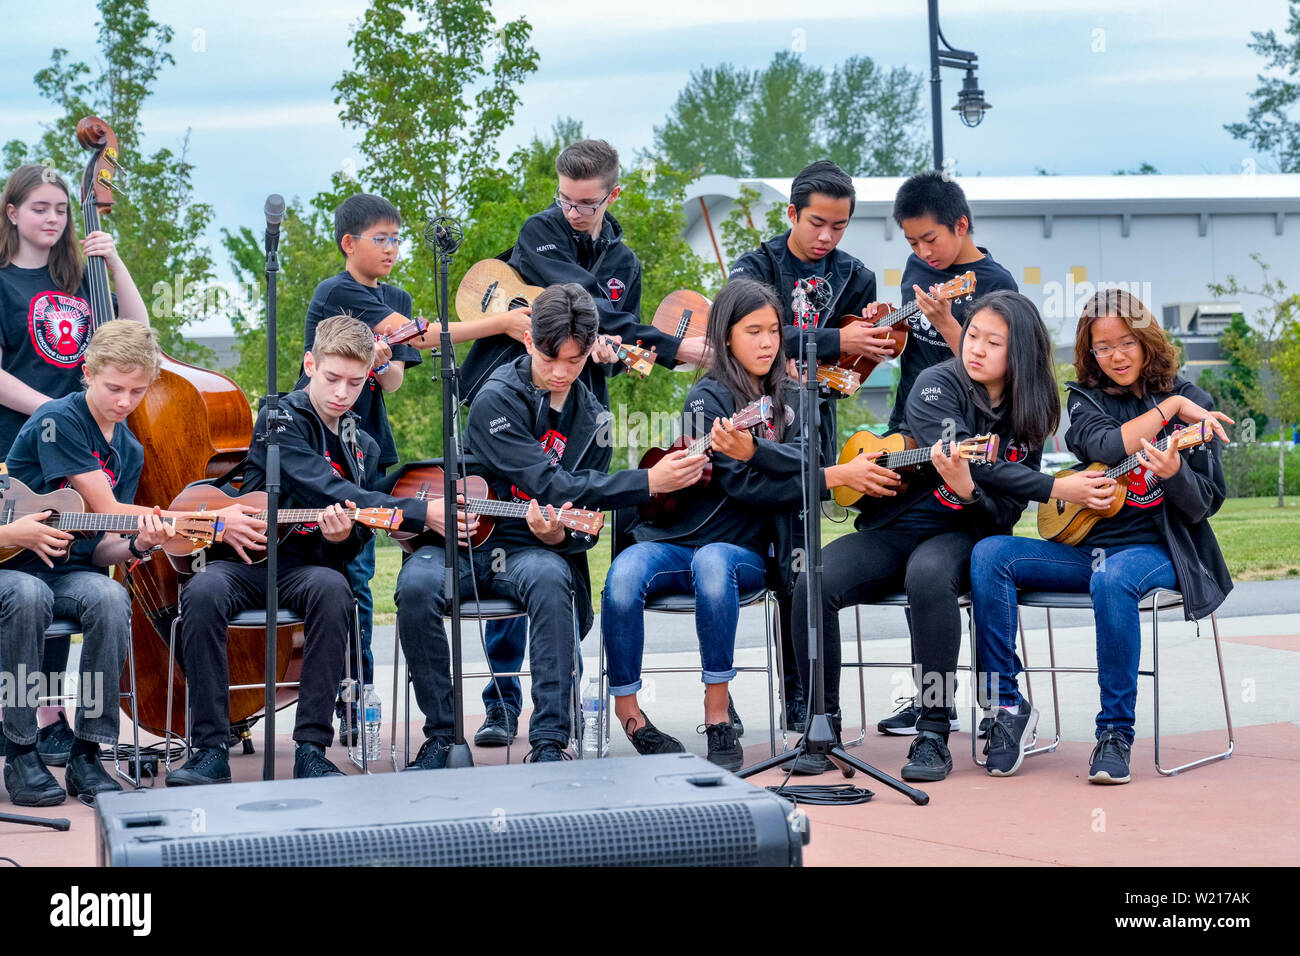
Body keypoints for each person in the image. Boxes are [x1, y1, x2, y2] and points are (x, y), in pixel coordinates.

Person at [789, 291, 1113, 779]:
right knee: (815, 578)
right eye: (973, 335)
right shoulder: (935, 382)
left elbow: (1002, 512)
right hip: (893, 530)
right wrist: (1055, 487)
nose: (976, 348)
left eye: (993, 342)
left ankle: (932, 732)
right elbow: (960, 447)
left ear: (1020, 352)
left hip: (963, 532)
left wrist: (968, 494)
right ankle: (821, 725)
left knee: (929, 573)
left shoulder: (1034, 407)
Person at [461, 139, 710, 748]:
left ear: (611, 195)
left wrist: (613, 352)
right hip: (511, 399)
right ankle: (500, 702)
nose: (572, 211)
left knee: (565, 540)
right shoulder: (536, 233)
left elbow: (612, 340)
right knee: (507, 531)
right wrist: (674, 346)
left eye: (585, 203)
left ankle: (560, 704)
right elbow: (579, 307)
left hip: (581, 409)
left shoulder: (623, 258)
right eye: (565, 200)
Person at [397, 283, 707, 769]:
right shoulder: (494, 398)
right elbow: (548, 480)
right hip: (461, 543)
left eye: (576, 360)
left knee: (550, 578)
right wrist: (649, 480)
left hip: (530, 548)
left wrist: (559, 535)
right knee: (415, 584)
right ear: (527, 340)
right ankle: (440, 735)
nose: (561, 371)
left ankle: (548, 742)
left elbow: (584, 515)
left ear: (591, 352)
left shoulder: (596, 417)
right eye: (550, 358)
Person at [601, 279, 895, 769]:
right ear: (727, 337)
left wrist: (762, 453)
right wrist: (800, 471)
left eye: (774, 331)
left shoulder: (797, 394)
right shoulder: (706, 399)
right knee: (625, 571)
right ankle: (631, 716)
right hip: (675, 539)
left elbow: (808, 460)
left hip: (744, 551)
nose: (766, 342)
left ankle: (717, 716)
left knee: (715, 563)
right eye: (752, 331)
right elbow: (742, 481)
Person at [972, 289, 1233, 784]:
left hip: (1159, 552)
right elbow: (1108, 445)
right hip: (1086, 548)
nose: (1115, 356)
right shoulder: (1085, 399)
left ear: (1146, 339)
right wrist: (1169, 408)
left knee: (1112, 578)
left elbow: (1204, 506)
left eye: (1126, 343)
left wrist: (1175, 471)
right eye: (1102, 347)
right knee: (990, 554)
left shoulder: (1195, 404)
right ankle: (1007, 709)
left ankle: (1114, 733)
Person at [166, 316, 439, 786]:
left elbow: (357, 533)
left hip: (306, 568)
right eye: (332, 378)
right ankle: (209, 750)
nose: (342, 392)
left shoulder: (364, 445)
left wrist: (339, 537)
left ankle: (312, 749)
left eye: (356, 383)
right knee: (203, 591)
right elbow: (321, 483)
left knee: (336, 589)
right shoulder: (278, 418)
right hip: (242, 566)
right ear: (310, 364)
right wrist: (417, 511)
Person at [727, 159, 896, 731]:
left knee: (806, 574)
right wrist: (833, 338)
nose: (828, 236)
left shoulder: (858, 277)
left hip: (811, 432)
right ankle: (728, 707)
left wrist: (868, 349)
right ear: (792, 213)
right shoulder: (755, 266)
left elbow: (850, 372)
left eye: (840, 226)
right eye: (818, 222)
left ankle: (815, 704)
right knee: (769, 568)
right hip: (752, 427)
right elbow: (746, 332)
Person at [1, 163, 148, 766]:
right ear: (12, 212)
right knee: (28, 581)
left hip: (85, 437)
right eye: (40, 208)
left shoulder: (76, 278)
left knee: (75, 560)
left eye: (61, 209)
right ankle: (25, 729)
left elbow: (136, 332)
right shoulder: (3, 283)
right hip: (26, 444)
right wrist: (55, 413)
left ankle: (64, 723)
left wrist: (112, 261)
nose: (53, 219)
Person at [1, 321, 181, 803]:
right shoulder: (58, 420)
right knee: (28, 592)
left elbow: (101, 545)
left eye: (137, 391)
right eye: (114, 388)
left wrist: (141, 545)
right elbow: (105, 505)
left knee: (108, 593)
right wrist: (190, 516)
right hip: (9, 568)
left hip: (68, 573)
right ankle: (20, 748)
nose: (124, 402)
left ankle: (88, 750)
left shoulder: (129, 451)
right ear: (88, 372)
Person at [876, 170, 1021, 736]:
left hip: (968, 434)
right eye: (911, 243)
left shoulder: (996, 283)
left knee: (936, 563)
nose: (921, 253)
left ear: (961, 226)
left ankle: (980, 701)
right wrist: (889, 334)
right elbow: (913, 347)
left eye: (930, 240)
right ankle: (928, 691)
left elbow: (997, 369)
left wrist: (949, 324)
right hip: (907, 422)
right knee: (905, 541)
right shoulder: (921, 268)